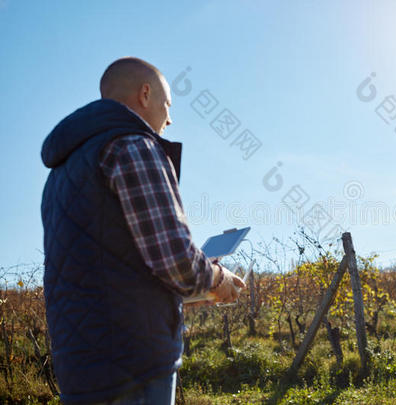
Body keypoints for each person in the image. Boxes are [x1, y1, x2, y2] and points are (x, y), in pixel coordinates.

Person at [40, 57, 245, 404]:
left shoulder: (60, 173)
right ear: (145, 94)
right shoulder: (134, 146)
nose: (169, 118)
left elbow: (112, 268)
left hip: (80, 365)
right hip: (132, 364)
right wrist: (216, 279)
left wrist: (177, 297)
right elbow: (178, 262)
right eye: (167, 104)